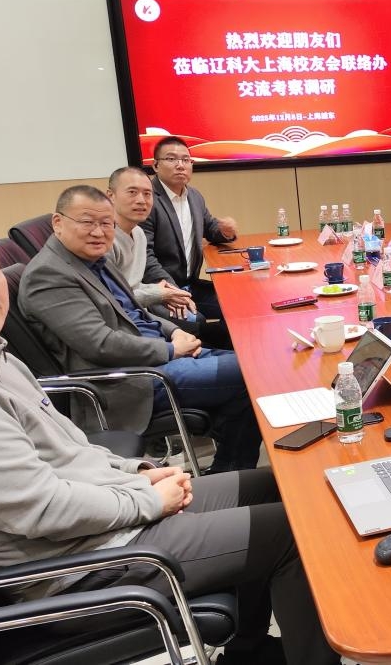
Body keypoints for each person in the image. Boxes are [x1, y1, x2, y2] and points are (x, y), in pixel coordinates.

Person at [0, 213, 339, 665]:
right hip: (83, 568)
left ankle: (250, 651)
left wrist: (138, 472)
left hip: (105, 522)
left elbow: (72, 448)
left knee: (277, 486)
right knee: (299, 532)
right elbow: (41, 510)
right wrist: (148, 501)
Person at [19, 185, 260, 473]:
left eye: (106, 223)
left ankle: (231, 473)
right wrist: (170, 350)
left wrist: (173, 331)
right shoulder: (49, 275)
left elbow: (136, 312)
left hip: (156, 358)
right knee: (255, 372)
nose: (98, 232)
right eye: (87, 222)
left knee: (254, 370)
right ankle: (234, 474)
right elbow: (101, 345)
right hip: (131, 381)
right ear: (58, 222)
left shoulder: (94, 260)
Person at [142, 135, 238, 326]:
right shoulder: (147, 199)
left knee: (237, 302)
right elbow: (146, 256)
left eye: (186, 160)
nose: (180, 165)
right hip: (162, 289)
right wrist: (171, 291)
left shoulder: (194, 196)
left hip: (190, 284)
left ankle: (228, 344)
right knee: (195, 321)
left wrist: (225, 231)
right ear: (155, 165)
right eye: (171, 159)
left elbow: (210, 228)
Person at [104, 166, 198, 330]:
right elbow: (110, 298)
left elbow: (134, 285)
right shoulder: (102, 239)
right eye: (132, 192)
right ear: (110, 196)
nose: (141, 200)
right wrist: (160, 294)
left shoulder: (138, 233)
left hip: (138, 310)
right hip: (119, 322)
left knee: (196, 319)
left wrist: (168, 291)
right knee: (194, 325)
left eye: (147, 194)